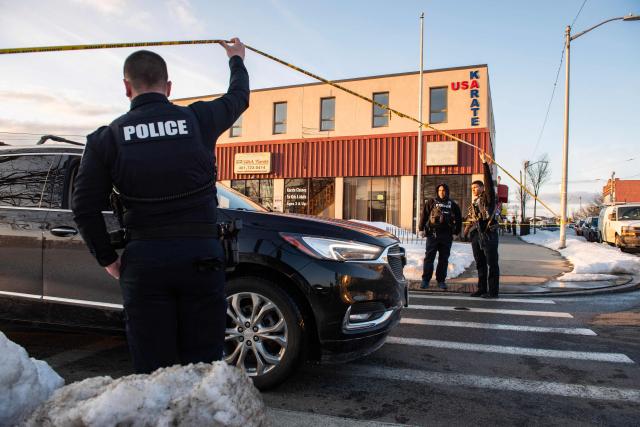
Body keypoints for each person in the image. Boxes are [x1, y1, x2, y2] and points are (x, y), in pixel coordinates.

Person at [72, 39, 249, 373]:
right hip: (202, 259)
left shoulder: (106, 138)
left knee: (153, 372)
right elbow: (238, 97)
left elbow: (83, 208)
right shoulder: (198, 119)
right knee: (203, 370)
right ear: (168, 87)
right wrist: (236, 60)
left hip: (145, 263)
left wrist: (108, 260)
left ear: (127, 87)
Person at [465, 151, 500, 298]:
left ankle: (493, 291)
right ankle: (482, 288)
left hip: (489, 234)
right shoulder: (473, 202)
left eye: (476, 188)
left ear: (482, 188)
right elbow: (470, 218)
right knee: (480, 263)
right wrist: (466, 232)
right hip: (476, 235)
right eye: (472, 188)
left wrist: (485, 164)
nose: (473, 190)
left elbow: (488, 182)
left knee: (491, 263)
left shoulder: (488, 197)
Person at [417, 183, 462, 290]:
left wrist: (456, 232)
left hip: (446, 236)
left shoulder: (452, 204)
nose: (442, 192)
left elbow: (459, 219)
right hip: (432, 234)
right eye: (440, 190)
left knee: (443, 259)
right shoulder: (431, 202)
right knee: (429, 258)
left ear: (447, 191)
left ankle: (441, 281)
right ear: (437, 191)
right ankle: (425, 280)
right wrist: (421, 229)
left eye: (444, 190)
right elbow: (424, 215)